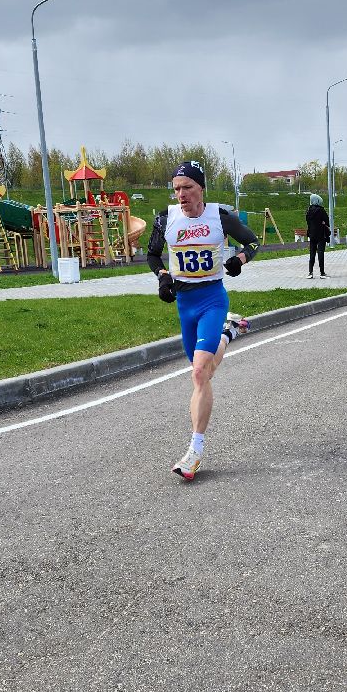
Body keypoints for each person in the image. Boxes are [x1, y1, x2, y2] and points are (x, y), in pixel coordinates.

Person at [147, 160, 260, 481]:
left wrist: (238, 260)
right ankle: (229, 332)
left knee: (198, 373)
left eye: (187, 188)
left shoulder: (220, 218)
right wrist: (163, 277)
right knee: (205, 372)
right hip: (185, 303)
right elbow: (153, 255)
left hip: (212, 299)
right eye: (177, 189)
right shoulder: (165, 219)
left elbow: (252, 243)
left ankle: (194, 451)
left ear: (201, 190)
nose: (181, 194)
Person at [305, 193, 329, 278]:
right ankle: (322, 273)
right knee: (320, 252)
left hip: (312, 234)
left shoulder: (308, 210)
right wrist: (323, 222)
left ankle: (310, 272)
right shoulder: (321, 210)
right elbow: (327, 221)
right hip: (321, 234)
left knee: (312, 253)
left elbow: (308, 222)